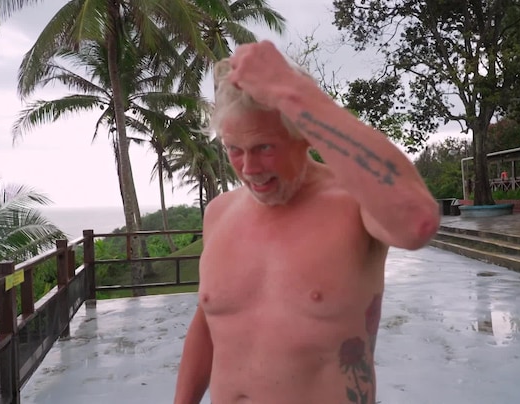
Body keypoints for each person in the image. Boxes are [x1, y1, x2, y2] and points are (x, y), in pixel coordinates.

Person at [174, 40, 439, 404]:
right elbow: (209, 324)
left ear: (304, 137)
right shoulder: (219, 213)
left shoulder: (354, 205)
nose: (250, 169)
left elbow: (417, 222)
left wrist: (292, 91)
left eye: (265, 148)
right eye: (235, 150)